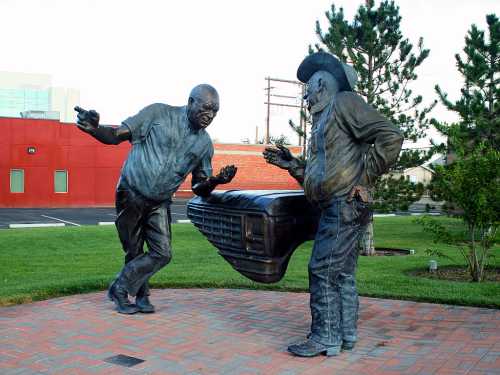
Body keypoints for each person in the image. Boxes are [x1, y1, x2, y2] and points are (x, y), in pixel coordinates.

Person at [263, 52, 403, 357]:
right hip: (336, 205)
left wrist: (365, 180)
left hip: (344, 205)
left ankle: (325, 337)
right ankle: (345, 334)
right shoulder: (325, 118)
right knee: (341, 273)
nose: (304, 96)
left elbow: (391, 136)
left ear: (323, 83)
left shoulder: (344, 103)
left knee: (322, 269)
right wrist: (293, 165)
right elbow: (324, 173)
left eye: (308, 89)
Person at [75, 84, 237, 314]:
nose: (209, 116)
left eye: (215, 111)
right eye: (206, 108)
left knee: (162, 253)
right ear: (191, 102)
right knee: (133, 250)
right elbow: (115, 136)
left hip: (159, 202)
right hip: (130, 192)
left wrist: (216, 180)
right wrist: (94, 128)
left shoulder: (204, 144)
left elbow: (199, 187)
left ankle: (119, 288)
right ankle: (140, 295)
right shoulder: (158, 113)